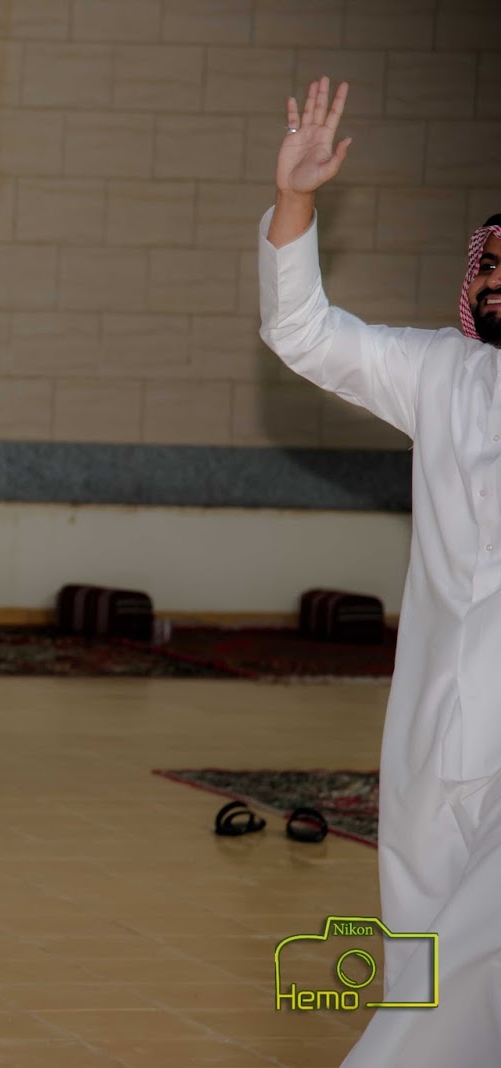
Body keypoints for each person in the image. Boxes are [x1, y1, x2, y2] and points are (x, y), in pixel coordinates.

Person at [260, 78, 501, 1065]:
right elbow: (304, 334)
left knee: (474, 956)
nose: (494, 282)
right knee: (425, 956)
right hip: (435, 728)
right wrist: (295, 199)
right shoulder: (443, 373)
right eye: (489, 263)